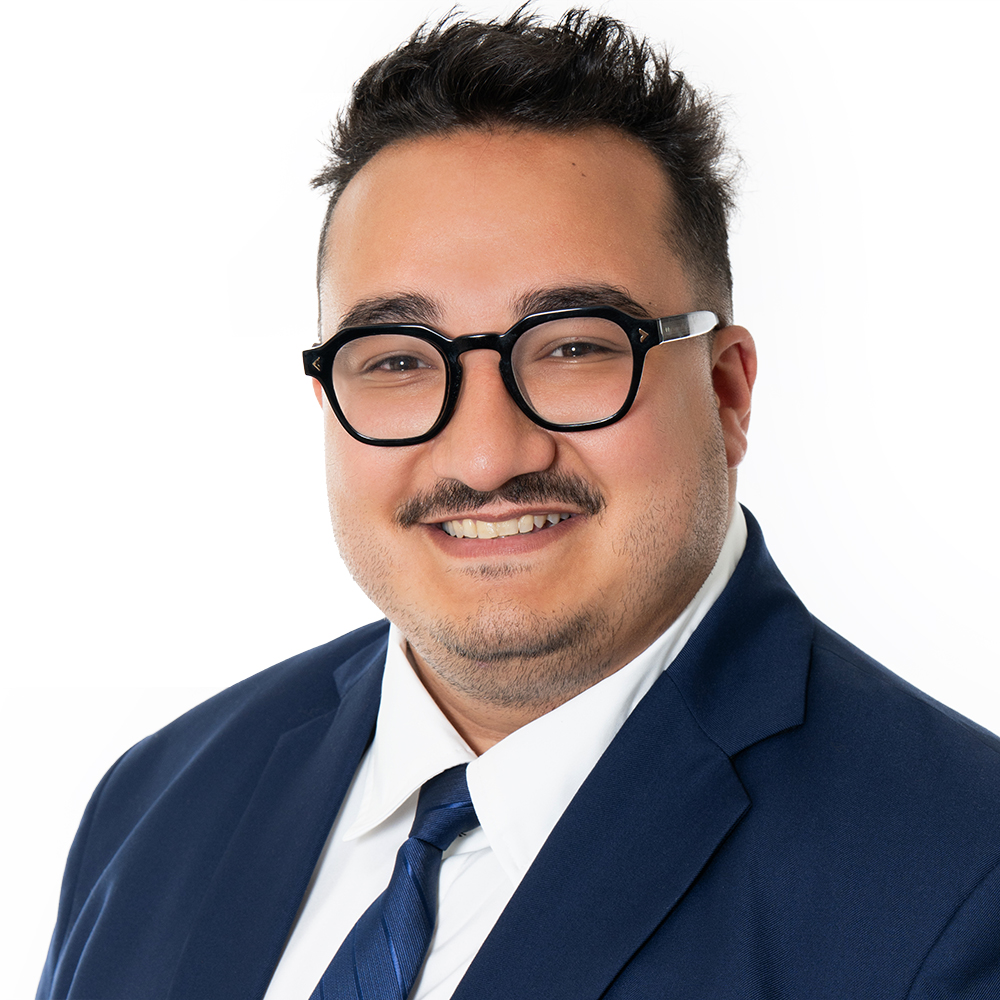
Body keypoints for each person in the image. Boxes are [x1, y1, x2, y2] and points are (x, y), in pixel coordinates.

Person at [37, 9, 1000, 999]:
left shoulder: (964, 883)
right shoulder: (154, 804)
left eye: (574, 346)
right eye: (399, 361)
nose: (487, 456)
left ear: (726, 394)